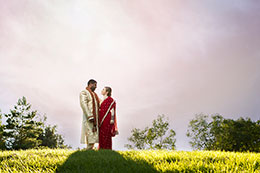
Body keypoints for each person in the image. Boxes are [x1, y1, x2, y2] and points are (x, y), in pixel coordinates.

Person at [80, 79, 100, 150]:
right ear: (90, 84)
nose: (96, 87)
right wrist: (89, 115)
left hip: (96, 118)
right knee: (89, 133)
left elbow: (100, 103)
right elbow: (83, 104)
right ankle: (88, 149)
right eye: (95, 85)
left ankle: (90, 149)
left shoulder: (95, 95)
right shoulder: (84, 92)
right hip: (89, 117)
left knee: (94, 134)